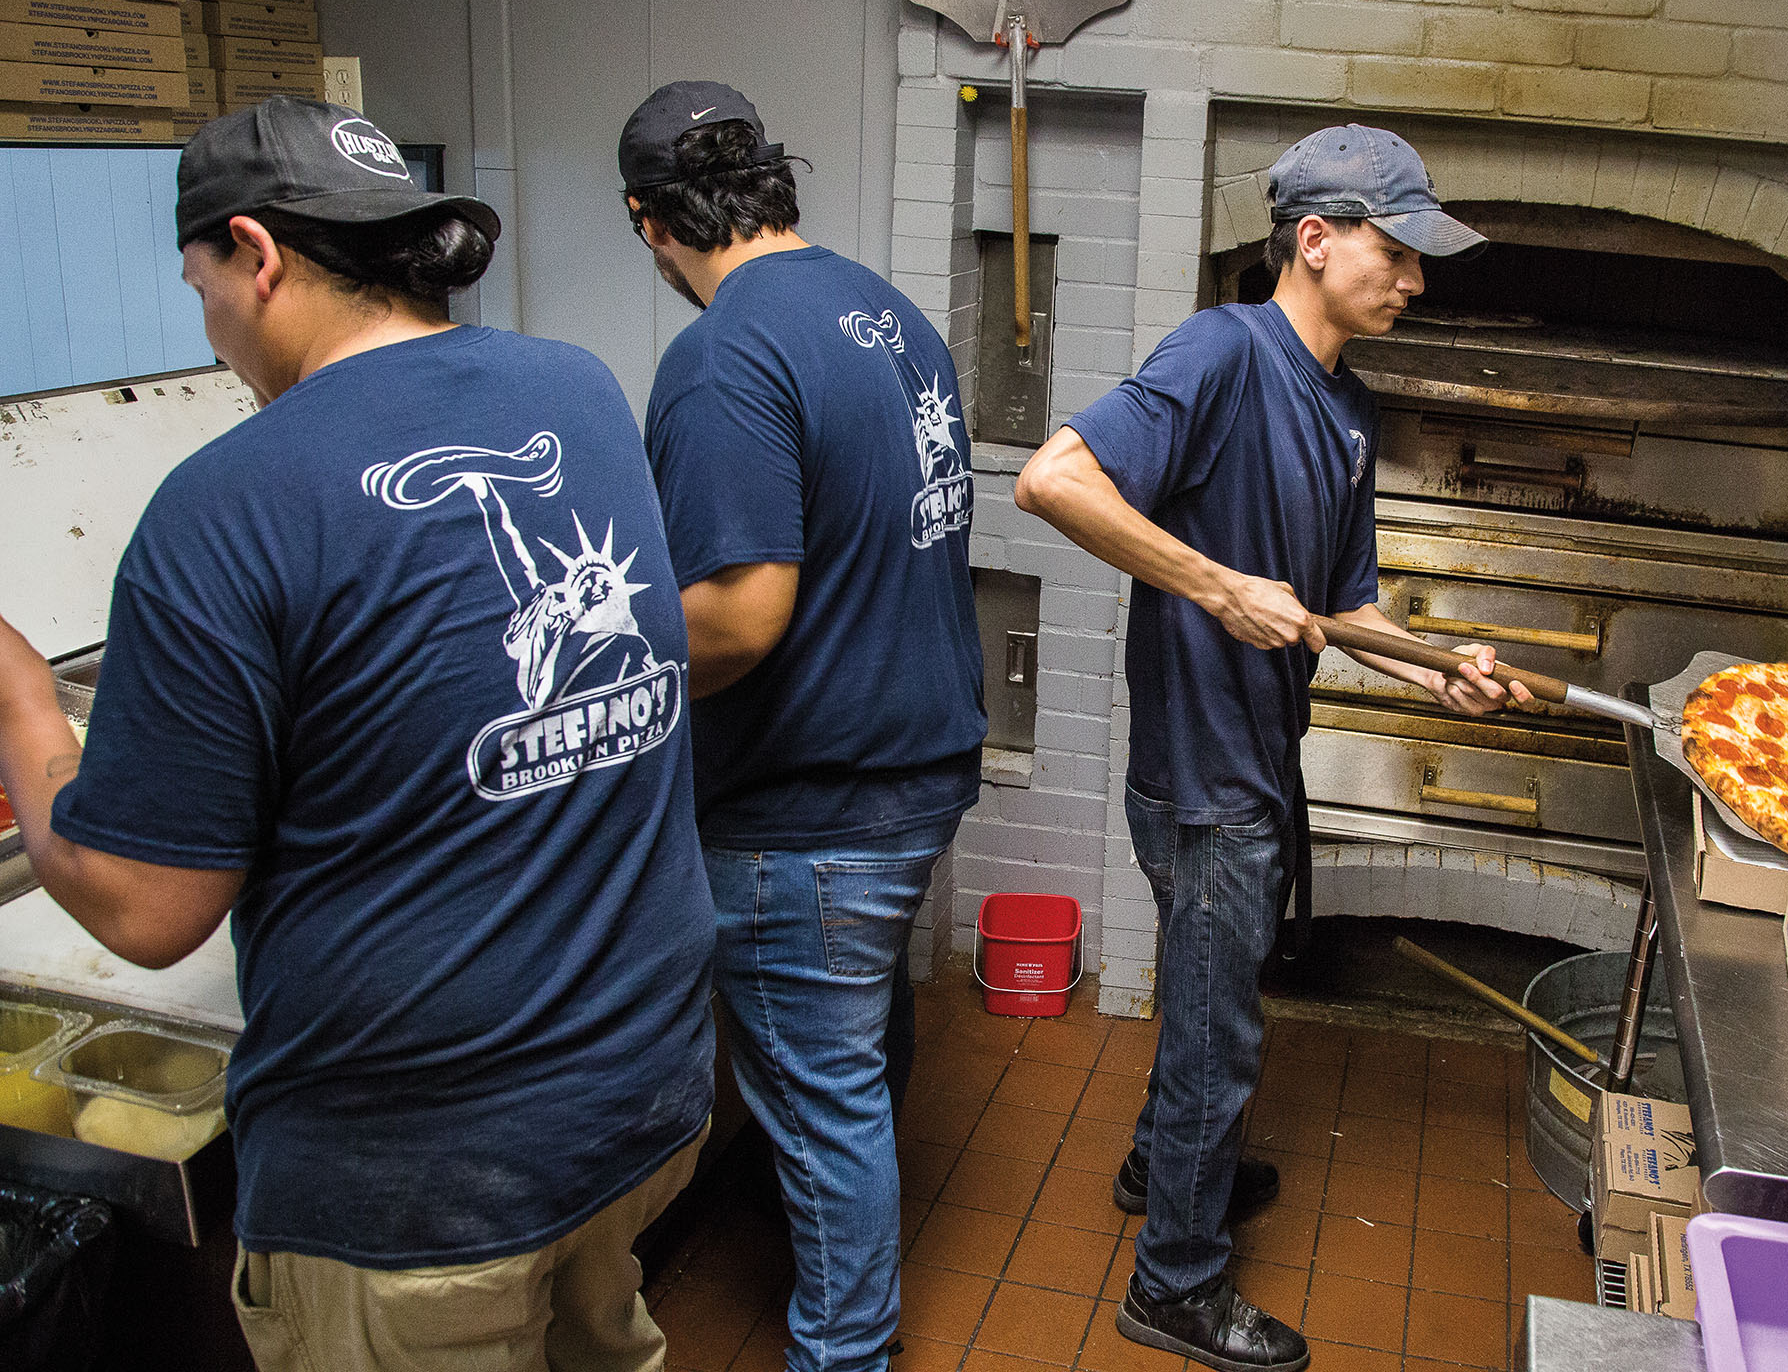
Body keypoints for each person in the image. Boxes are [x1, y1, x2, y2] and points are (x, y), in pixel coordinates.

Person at [0, 97, 717, 1372]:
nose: (208, 324)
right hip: (639, 1096)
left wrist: (21, 704)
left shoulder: (227, 502)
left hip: (420, 1191)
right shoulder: (576, 390)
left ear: (256, 254)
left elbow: (152, 908)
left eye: (201, 284)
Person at [1016, 123, 1530, 1372]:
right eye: (1398, 251)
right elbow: (1054, 480)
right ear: (1316, 236)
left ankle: (1163, 1166)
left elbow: (1341, 604)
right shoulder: (1222, 352)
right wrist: (1215, 587)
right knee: (1219, 1024)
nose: (1415, 280)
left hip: (1257, 750)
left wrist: (1436, 665)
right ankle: (1176, 1285)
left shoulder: (1346, 405)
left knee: (1206, 999)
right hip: (1204, 770)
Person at [620, 81, 984, 1372]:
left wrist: (615, 691)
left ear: (649, 221)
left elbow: (738, 618)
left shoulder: (724, 355)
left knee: (823, 1106)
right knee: (856, 1052)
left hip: (810, 810)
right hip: (916, 765)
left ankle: (846, 1354)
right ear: (773, 183)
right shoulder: (883, 312)